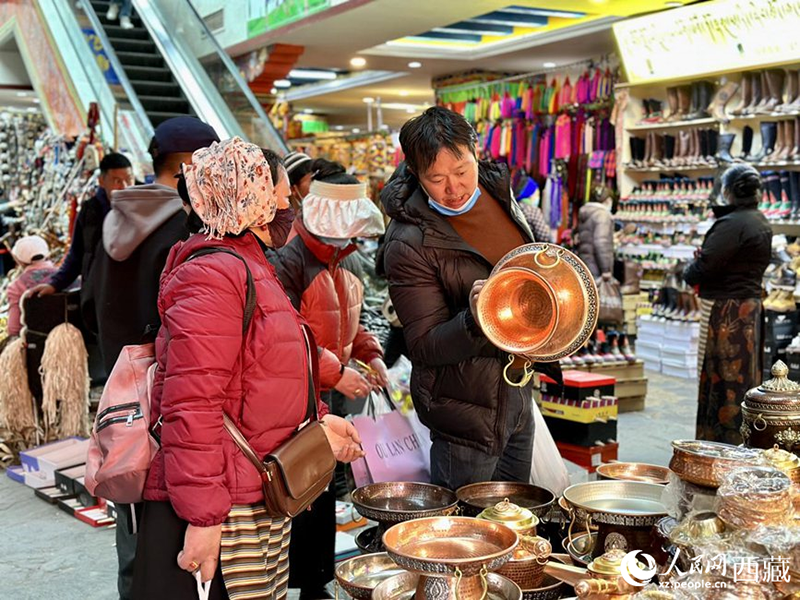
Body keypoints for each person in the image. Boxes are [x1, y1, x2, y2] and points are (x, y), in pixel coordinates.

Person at [132, 137, 363, 600]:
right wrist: (203, 518)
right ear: (247, 197)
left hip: (258, 490)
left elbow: (269, 372)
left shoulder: (250, 265)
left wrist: (318, 422)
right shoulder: (213, 274)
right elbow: (191, 404)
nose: (285, 203)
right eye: (277, 191)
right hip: (230, 504)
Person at [85, 116, 219, 600]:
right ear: (189, 166)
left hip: (121, 387)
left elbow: (86, 301)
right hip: (162, 391)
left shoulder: (114, 217)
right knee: (163, 519)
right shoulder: (179, 232)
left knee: (129, 503)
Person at [379, 106, 547, 491]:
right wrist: (475, 319)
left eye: (461, 171)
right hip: (463, 414)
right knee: (465, 538)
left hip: (517, 396)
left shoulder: (500, 194)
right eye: (436, 179)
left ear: (476, 152)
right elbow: (423, 344)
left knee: (517, 526)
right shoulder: (409, 242)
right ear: (417, 175)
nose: (454, 189)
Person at [271, 159, 386, 600]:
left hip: (328, 390)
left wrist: (368, 354)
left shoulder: (342, 258)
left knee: (321, 487)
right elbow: (288, 336)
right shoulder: (289, 260)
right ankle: (307, 581)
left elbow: (346, 319)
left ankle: (316, 579)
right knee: (303, 489)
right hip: (298, 394)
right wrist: (337, 374)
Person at [683, 164, 771, 444]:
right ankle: (744, 438)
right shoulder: (759, 220)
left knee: (723, 380)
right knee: (744, 378)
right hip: (750, 308)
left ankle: (720, 443)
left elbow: (703, 268)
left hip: (728, 312)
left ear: (730, 191)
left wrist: (691, 267)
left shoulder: (732, 224)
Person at [30, 152, 133, 301]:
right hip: (97, 296)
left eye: (129, 179)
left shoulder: (144, 210)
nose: (124, 187)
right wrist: (54, 285)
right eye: (116, 180)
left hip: (131, 297)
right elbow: (76, 255)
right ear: (102, 181)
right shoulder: (90, 212)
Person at [6, 235, 57, 337]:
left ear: (19, 261)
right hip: (77, 342)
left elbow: (13, 329)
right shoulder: (68, 278)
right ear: (47, 254)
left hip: (36, 344)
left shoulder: (16, 286)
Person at [576, 186, 615, 279]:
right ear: (608, 200)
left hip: (584, 262)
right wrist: (606, 269)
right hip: (596, 266)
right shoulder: (602, 215)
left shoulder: (585, 212)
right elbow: (601, 242)